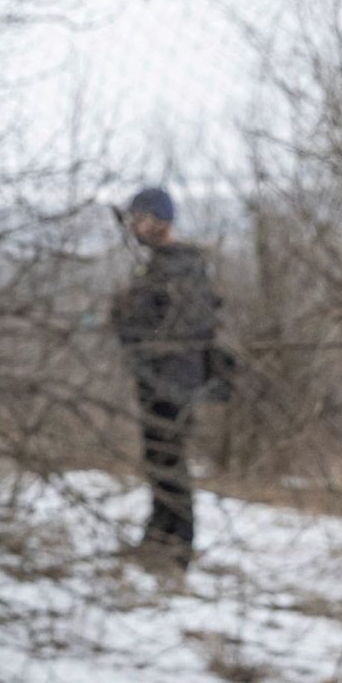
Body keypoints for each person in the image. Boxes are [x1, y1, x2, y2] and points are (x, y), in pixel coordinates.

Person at [108, 185, 229, 563]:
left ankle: (180, 546)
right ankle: (158, 536)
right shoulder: (157, 264)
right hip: (153, 379)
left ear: (161, 221)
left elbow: (186, 330)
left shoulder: (181, 266)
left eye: (141, 219)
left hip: (173, 382)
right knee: (157, 459)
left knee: (170, 460)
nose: (134, 228)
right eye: (132, 220)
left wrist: (139, 331)